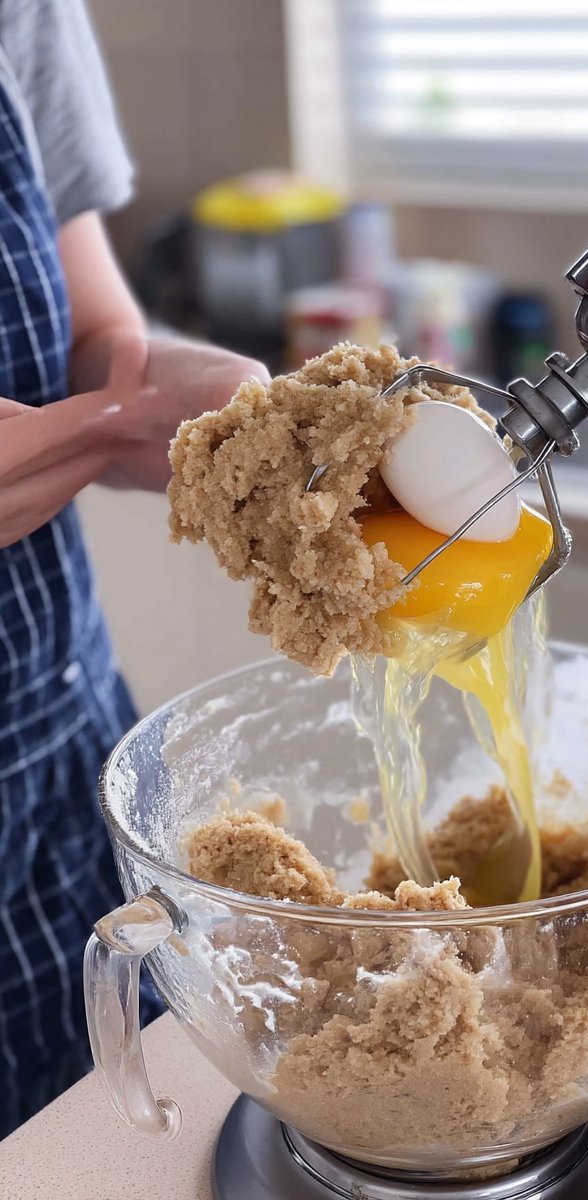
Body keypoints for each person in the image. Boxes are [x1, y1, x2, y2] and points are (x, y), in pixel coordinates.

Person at [0, 0, 269, 1135]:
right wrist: (110, 423)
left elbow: (89, 340)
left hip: (56, 753)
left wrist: (219, 406)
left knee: (104, 1129)